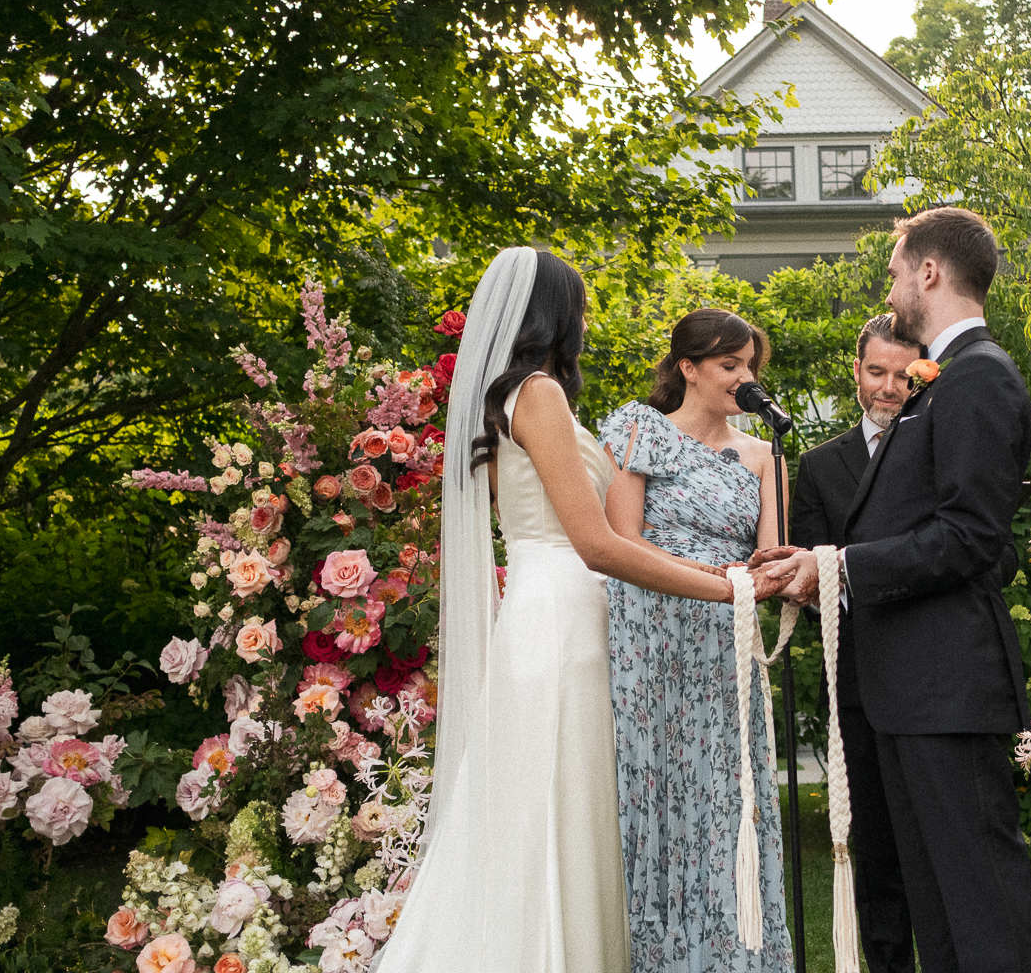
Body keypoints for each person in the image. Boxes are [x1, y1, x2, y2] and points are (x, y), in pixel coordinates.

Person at [375, 251, 788, 973]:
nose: (587, 324)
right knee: (558, 807)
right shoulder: (539, 394)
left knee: (545, 806)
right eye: (581, 309)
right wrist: (727, 589)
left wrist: (701, 569)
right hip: (566, 615)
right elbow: (596, 544)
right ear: (553, 314)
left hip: (543, 609)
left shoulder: (508, 395)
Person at [758, 209, 1031, 973]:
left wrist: (842, 567)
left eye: (894, 269)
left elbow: (971, 538)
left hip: (947, 686)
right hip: (911, 690)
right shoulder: (942, 382)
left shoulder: (980, 379)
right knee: (941, 914)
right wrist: (820, 560)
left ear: (928, 272)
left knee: (985, 910)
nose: (890, 284)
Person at [598, 308, 795, 973]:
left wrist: (763, 581)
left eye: (750, 367)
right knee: (651, 791)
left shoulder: (766, 455)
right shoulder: (638, 430)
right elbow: (621, 539)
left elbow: (771, 561)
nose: (744, 378)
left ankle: (731, 956)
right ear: (688, 367)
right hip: (647, 635)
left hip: (723, 642)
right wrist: (704, 578)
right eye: (729, 365)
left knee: (724, 796)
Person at [789, 312, 922, 973]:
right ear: (857, 372)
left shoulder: (941, 447)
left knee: (938, 841)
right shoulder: (817, 467)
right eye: (876, 372)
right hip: (859, 677)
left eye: (902, 375)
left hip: (934, 670)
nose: (888, 387)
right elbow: (814, 580)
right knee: (875, 847)